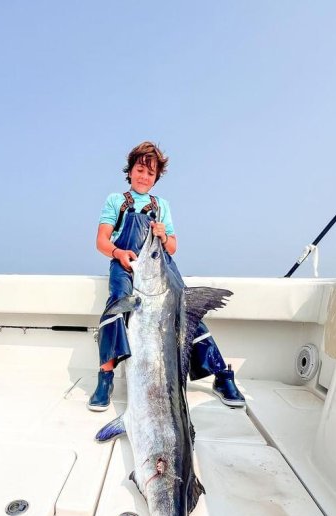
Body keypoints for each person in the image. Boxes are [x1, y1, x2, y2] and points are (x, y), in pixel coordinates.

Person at [88, 141, 245, 411]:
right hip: (125, 264)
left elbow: (172, 247)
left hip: (160, 267)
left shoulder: (161, 205)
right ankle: (105, 378)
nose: (144, 176)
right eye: (140, 169)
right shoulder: (116, 200)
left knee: (186, 312)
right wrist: (118, 252)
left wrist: (163, 235)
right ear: (130, 171)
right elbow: (101, 241)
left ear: (156, 178)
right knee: (116, 306)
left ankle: (221, 375)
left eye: (150, 173)